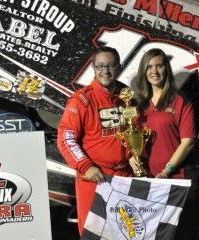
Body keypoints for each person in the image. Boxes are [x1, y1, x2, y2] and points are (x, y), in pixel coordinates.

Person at [57, 46, 133, 235]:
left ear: (119, 67)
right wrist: (85, 166)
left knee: (127, 233)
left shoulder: (127, 96)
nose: (105, 71)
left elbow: (136, 130)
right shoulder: (81, 101)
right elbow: (66, 139)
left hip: (125, 176)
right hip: (95, 177)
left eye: (111, 66)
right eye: (100, 66)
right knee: (94, 234)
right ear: (93, 68)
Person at [130, 48, 199, 240]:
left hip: (178, 179)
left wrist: (166, 171)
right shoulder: (138, 105)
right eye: (150, 67)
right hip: (149, 181)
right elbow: (132, 138)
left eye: (159, 65)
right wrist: (131, 157)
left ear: (166, 69)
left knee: (183, 235)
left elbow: (188, 143)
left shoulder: (180, 101)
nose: (155, 71)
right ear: (144, 71)